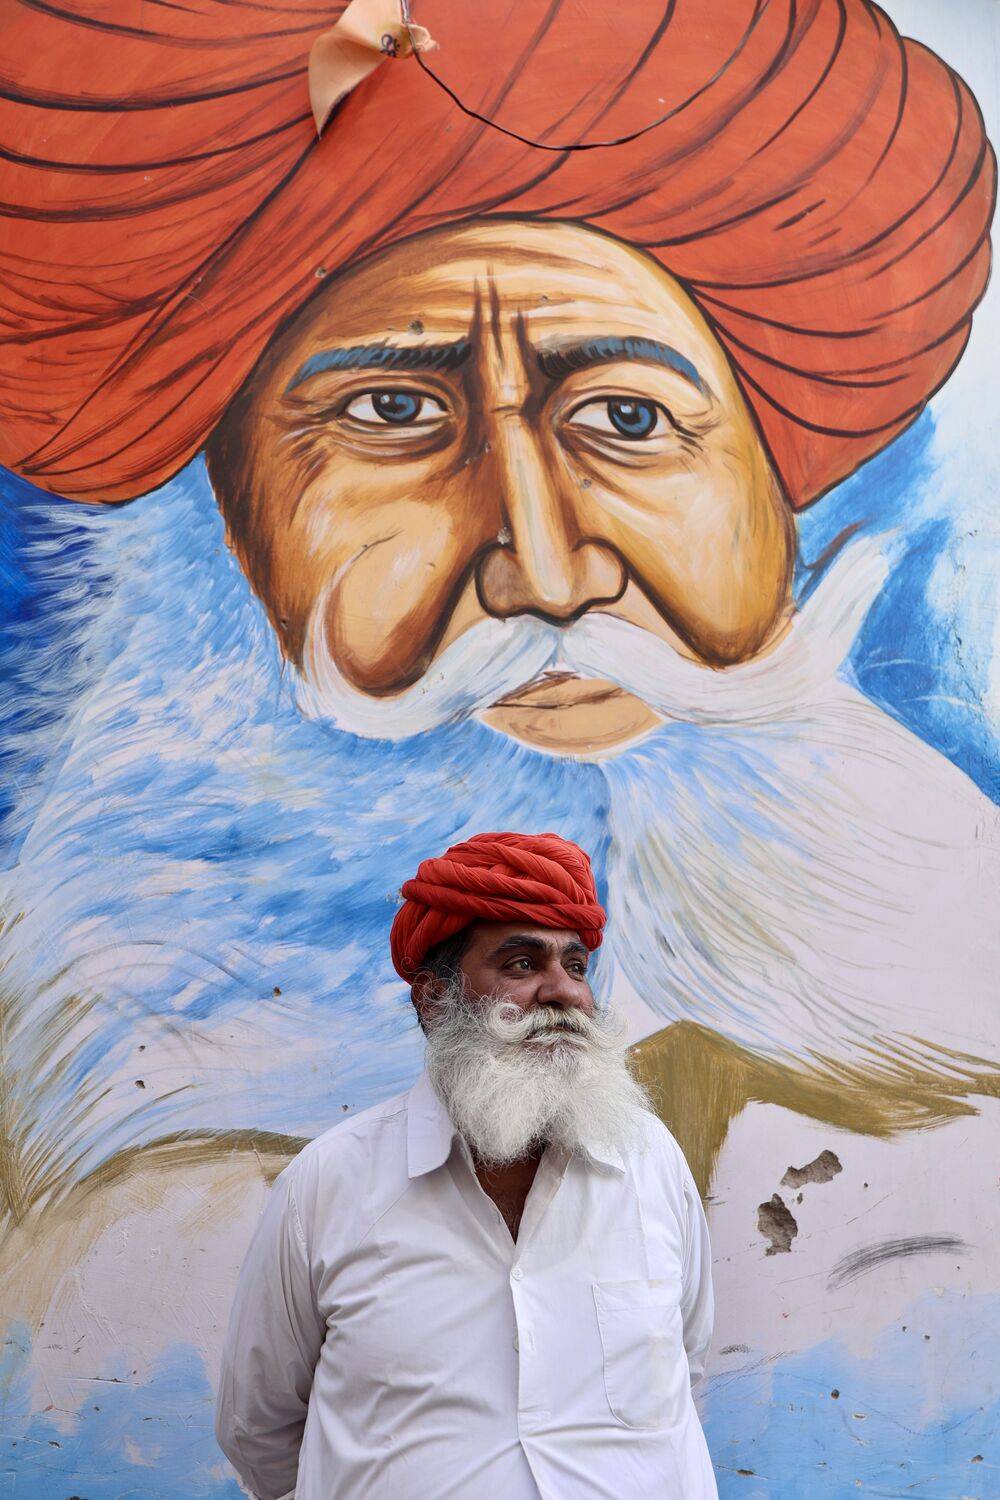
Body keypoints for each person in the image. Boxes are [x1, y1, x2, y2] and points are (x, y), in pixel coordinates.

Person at [215, 832, 717, 1500]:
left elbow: (688, 1372)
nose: (563, 992)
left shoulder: (650, 1161)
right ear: (433, 998)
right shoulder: (328, 1184)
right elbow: (260, 1429)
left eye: (576, 964)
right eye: (520, 963)